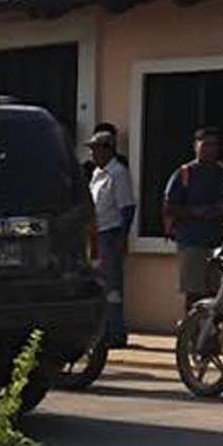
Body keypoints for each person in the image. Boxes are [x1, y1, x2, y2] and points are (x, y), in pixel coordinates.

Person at [164, 127, 223, 310]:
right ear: (195, 146)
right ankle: (191, 333)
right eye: (206, 144)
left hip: (220, 242)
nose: (210, 149)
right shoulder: (184, 173)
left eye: (214, 145)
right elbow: (168, 207)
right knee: (194, 292)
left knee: (218, 292)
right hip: (192, 241)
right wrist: (196, 212)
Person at [87, 130, 136, 348]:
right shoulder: (98, 173)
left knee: (112, 288)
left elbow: (127, 207)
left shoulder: (118, 173)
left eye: (96, 148)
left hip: (111, 233)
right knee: (99, 285)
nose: (93, 153)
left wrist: (121, 238)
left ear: (107, 149)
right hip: (96, 235)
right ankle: (104, 329)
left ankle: (116, 332)